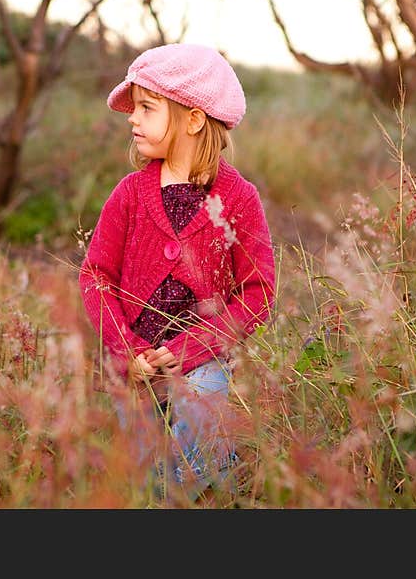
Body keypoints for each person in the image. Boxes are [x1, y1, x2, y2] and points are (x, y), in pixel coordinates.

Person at [78, 43, 276, 502]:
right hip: (132, 366)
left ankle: (199, 485)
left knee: (193, 438)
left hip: (202, 361)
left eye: (147, 108)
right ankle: (211, 478)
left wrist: (193, 347)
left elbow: (258, 292)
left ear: (192, 119)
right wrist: (129, 349)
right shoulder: (129, 194)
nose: (133, 119)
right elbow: (96, 275)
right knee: (144, 460)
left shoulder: (240, 200)